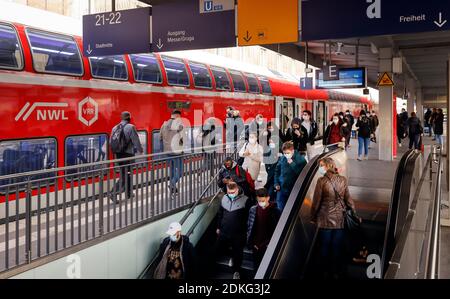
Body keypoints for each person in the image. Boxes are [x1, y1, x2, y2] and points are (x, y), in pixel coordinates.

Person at [310, 157, 356, 279]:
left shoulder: (321, 181)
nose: (320, 168)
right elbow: (348, 199)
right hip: (340, 219)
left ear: (328, 166)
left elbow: (316, 202)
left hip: (325, 219)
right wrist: (354, 213)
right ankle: (336, 271)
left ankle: (324, 272)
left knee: (324, 246)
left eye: (321, 165)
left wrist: (312, 217)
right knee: (336, 246)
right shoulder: (343, 180)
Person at [215, 182, 252, 279]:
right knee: (218, 247)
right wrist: (218, 227)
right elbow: (220, 213)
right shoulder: (224, 198)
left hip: (238, 233)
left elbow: (249, 217)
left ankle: (236, 271)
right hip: (224, 230)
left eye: (232, 192)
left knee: (238, 253)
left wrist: (247, 232)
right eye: (229, 192)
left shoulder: (246, 200)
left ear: (237, 190)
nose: (230, 193)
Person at [110, 111, 143, 202]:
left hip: (118, 154)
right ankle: (113, 193)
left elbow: (110, 142)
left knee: (126, 173)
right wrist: (140, 150)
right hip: (128, 155)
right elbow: (136, 140)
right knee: (126, 174)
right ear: (129, 118)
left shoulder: (115, 128)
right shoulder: (131, 127)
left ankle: (128, 193)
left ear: (121, 118)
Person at [247, 188, 280, 269]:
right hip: (256, 246)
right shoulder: (253, 210)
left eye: (262, 200)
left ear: (268, 198)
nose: (260, 203)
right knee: (256, 267)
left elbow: (277, 230)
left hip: (268, 246)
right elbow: (249, 226)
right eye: (259, 201)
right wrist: (252, 243)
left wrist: (269, 244)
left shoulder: (275, 211)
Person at [274, 142, 307, 212]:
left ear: (292, 151)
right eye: (284, 153)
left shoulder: (301, 160)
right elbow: (277, 172)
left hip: (293, 190)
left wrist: (292, 164)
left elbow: (303, 175)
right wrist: (276, 183)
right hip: (282, 188)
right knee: (280, 208)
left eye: (287, 153)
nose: (286, 155)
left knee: (293, 210)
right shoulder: (282, 158)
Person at [160, 110, 185, 198]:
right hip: (177, 152)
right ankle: (172, 184)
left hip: (167, 152)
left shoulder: (164, 124)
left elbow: (160, 138)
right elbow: (183, 139)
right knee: (180, 172)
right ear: (178, 116)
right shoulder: (179, 125)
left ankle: (173, 189)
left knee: (172, 171)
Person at [261, 122, 280, 201]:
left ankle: (270, 195)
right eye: (268, 128)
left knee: (272, 178)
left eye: (271, 128)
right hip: (268, 161)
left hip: (276, 161)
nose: (270, 129)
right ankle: (270, 195)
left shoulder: (278, 136)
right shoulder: (265, 137)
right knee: (271, 177)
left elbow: (282, 146)